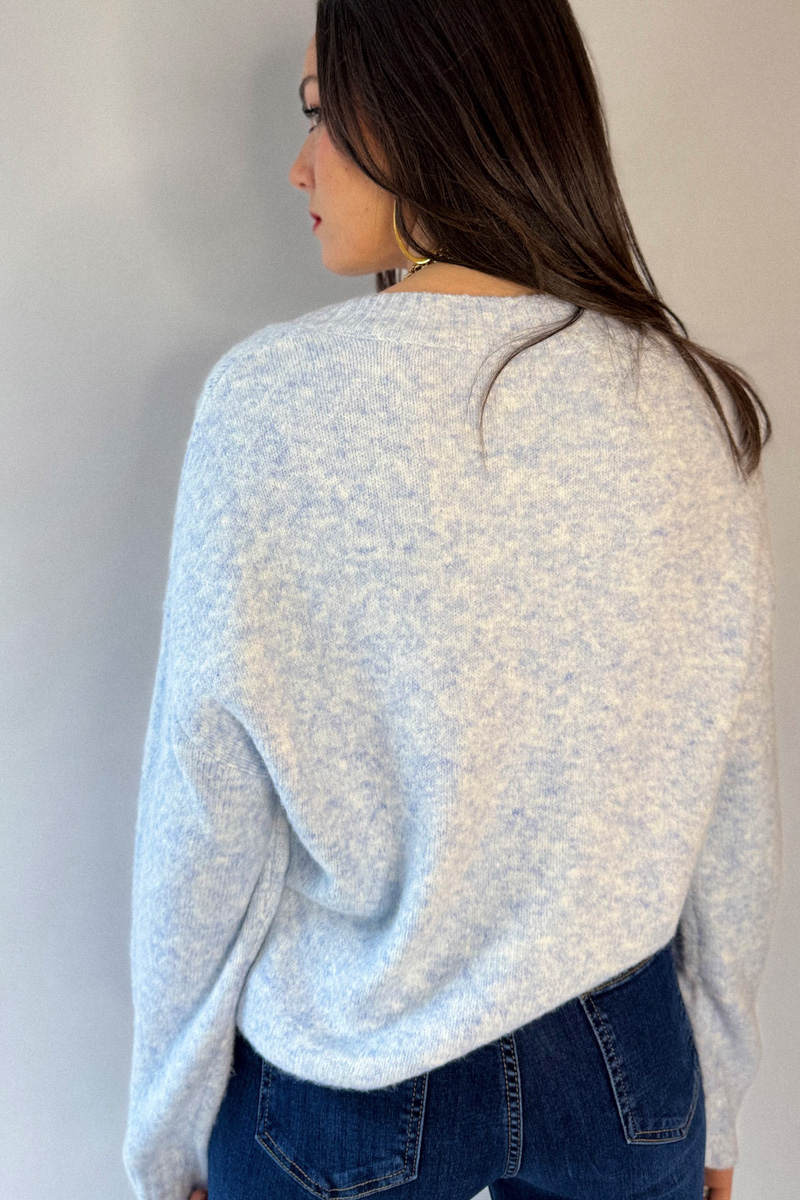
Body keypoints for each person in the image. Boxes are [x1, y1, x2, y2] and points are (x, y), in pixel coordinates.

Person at [122, 3, 781, 1199]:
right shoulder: (680, 402)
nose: (298, 165)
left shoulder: (268, 404)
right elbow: (730, 795)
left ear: (420, 110)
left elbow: (203, 815)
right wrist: (720, 1103)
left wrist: (167, 1136)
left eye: (320, 114)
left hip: (347, 1063)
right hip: (620, 1063)